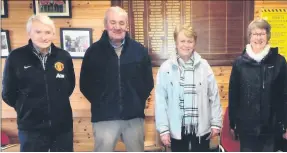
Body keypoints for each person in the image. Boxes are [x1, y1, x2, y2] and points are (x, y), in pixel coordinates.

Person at [79, 6, 153, 152]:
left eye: (121, 23)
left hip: (134, 118)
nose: (117, 27)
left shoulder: (139, 50)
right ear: (106, 25)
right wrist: (101, 101)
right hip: (104, 118)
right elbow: (85, 84)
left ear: (127, 25)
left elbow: (148, 82)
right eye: (113, 22)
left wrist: (136, 101)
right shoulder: (93, 52)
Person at [2, 14, 75, 152]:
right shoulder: (16, 57)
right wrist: (26, 108)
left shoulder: (64, 56)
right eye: (38, 32)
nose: (43, 37)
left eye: (48, 32)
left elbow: (69, 87)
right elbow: (8, 93)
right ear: (29, 33)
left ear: (53, 33)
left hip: (62, 127)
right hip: (31, 128)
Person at [228, 18, 287, 152]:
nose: (258, 38)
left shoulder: (279, 62)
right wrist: (233, 123)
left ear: (268, 36)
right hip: (247, 127)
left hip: (271, 127)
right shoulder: (239, 63)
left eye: (262, 34)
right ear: (249, 36)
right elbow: (233, 95)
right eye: (255, 34)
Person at [155, 23, 223, 152]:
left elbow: (214, 97)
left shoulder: (204, 66)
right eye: (182, 41)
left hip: (201, 129)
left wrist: (216, 123)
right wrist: (163, 129)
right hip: (176, 129)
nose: (186, 45)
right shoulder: (166, 68)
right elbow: (161, 101)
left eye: (189, 41)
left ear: (194, 44)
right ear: (176, 42)